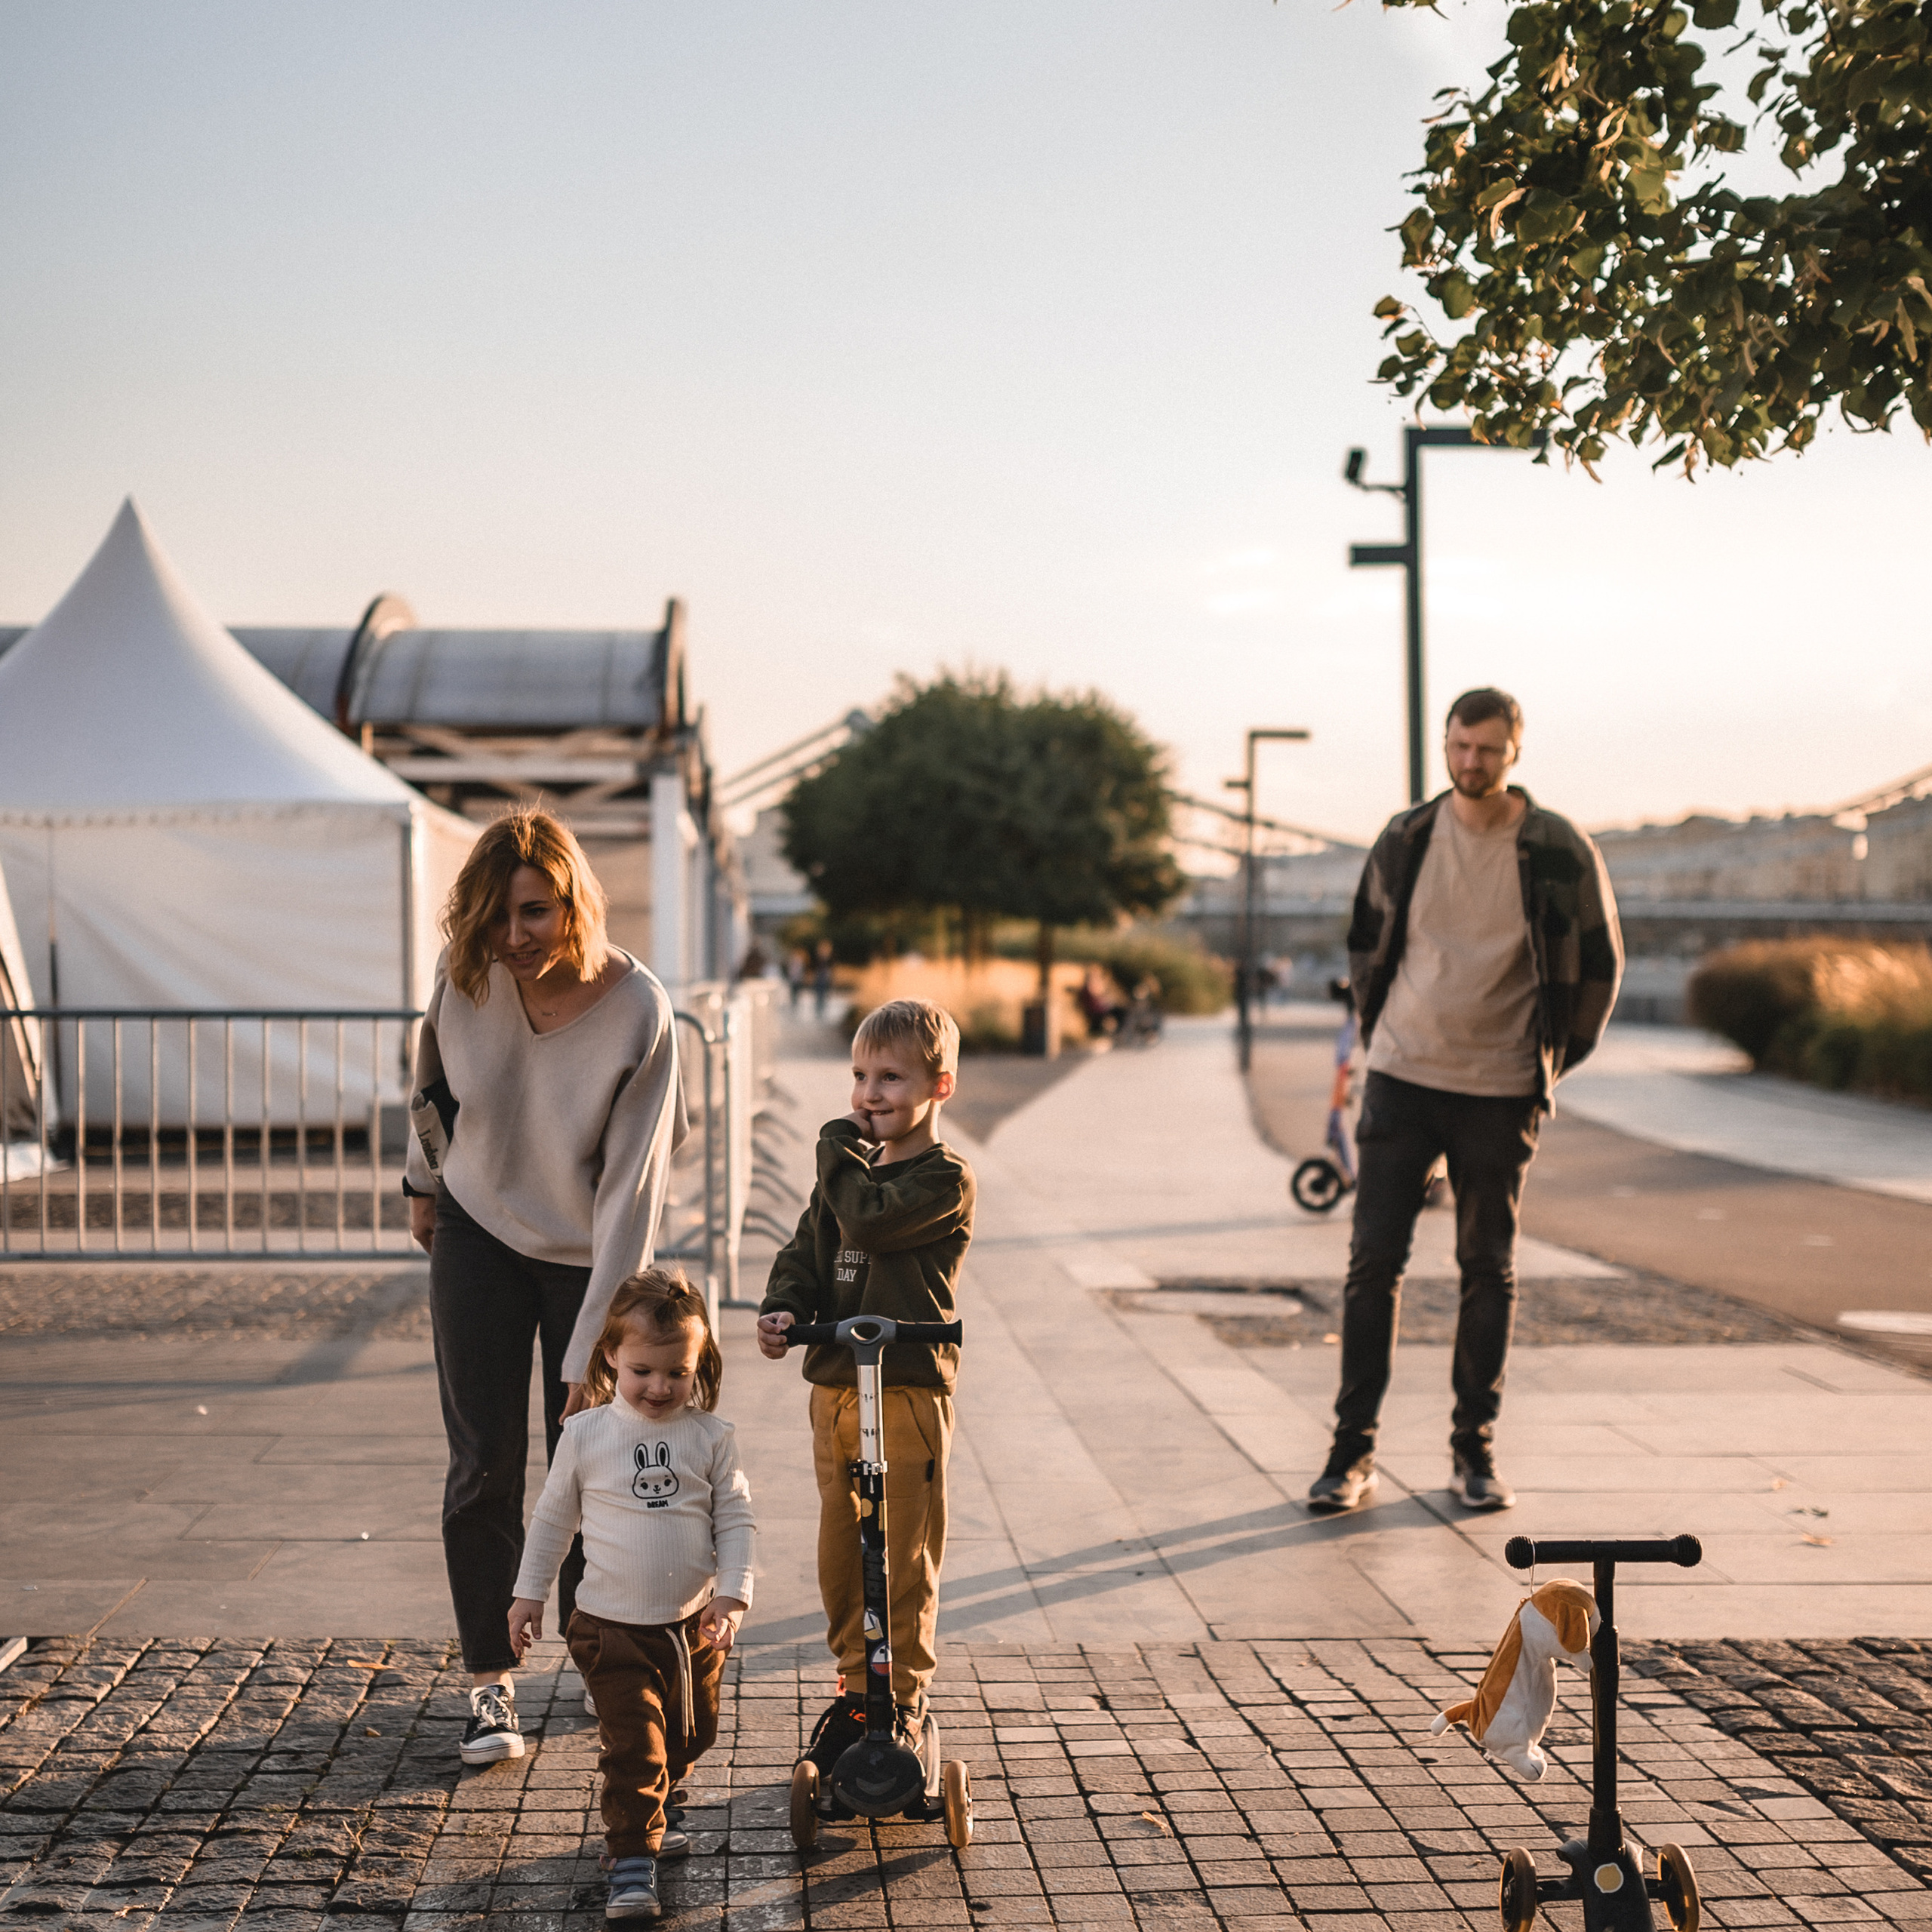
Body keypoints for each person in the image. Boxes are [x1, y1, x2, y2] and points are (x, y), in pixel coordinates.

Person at [404, 808, 687, 1765]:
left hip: (588, 1256)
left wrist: (590, 1352)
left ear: (574, 902)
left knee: (592, 1463)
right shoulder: (467, 976)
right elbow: (432, 1078)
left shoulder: (640, 1009)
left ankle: (602, 1661)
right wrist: (422, 1178)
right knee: (482, 1462)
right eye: (494, 917)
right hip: (478, 1232)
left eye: (533, 913)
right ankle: (490, 1683)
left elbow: (631, 1198)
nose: (513, 938)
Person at [1307, 688, 1622, 1516]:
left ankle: (1472, 1452)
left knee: (1488, 1267)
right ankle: (1350, 1454)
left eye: (1484, 750)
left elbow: (1599, 962)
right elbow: (1365, 938)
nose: (1467, 762)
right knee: (1373, 1264)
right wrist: (1379, 1038)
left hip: (1500, 1086)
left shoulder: (1555, 845)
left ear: (1513, 750)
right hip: (1404, 1076)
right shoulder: (1407, 836)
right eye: (1457, 747)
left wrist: (1548, 1061)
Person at [755, 998, 974, 1816]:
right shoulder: (842, 1178)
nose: (867, 1092)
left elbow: (869, 1222)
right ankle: (857, 1685)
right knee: (843, 1540)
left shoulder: (942, 1179)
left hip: (909, 1385)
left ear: (937, 1084)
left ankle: (904, 1692)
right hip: (839, 1385)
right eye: (858, 1076)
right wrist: (784, 1305)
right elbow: (807, 1246)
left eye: (890, 1077)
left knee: (905, 1544)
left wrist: (832, 1152)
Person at [509, 1269, 754, 1924]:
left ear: (698, 1364)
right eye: (643, 1369)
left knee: (690, 1735)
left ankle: (661, 1804)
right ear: (612, 1353)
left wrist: (731, 1595)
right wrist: (529, 1594)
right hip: (609, 1627)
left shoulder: (711, 1436)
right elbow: (554, 1519)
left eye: (677, 1372)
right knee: (634, 1748)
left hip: (693, 1629)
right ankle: (630, 1862)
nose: (659, 1387)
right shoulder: (587, 1434)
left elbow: (735, 1520)